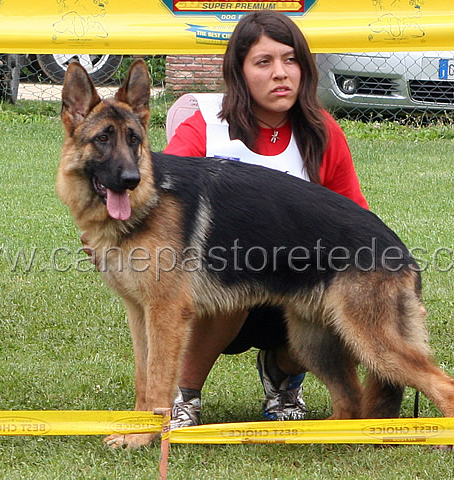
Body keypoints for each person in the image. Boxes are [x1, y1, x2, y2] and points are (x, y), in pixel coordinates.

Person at [163, 10, 369, 428]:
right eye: (264, 62)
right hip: (212, 294)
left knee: (345, 290)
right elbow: (158, 201)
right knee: (236, 269)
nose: (281, 73)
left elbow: (356, 222)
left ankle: (283, 378)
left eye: (290, 60)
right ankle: (183, 395)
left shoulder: (323, 132)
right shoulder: (205, 124)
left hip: (296, 288)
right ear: (238, 71)